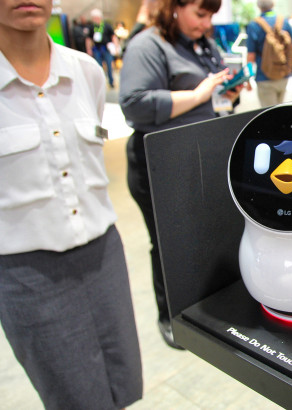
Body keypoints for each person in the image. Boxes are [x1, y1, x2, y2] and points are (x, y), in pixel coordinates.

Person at [0, 0, 143, 409]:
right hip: (27, 272)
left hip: (104, 255)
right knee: (73, 396)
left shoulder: (86, 71)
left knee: (123, 383)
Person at [119, 0, 242, 349]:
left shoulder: (204, 44)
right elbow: (134, 104)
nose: (205, 23)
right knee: (167, 244)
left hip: (201, 156)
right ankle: (170, 314)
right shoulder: (148, 45)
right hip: (161, 163)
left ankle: (204, 305)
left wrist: (227, 94)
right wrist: (197, 95)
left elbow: (215, 99)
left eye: (210, 16)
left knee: (204, 236)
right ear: (174, 6)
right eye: (200, 14)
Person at [246, 0, 292, 107]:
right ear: (273, 4)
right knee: (280, 111)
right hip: (283, 74)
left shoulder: (254, 25)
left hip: (264, 76)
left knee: (268, 113)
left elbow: (251, 56)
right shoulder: (284, 21)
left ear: (258, 6)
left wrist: (248, 79)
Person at [88, 8, 118, 88]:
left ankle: (111, 82)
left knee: (109, 65)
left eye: (95, 18)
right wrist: (89, 49)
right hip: (97, 49)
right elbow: (88, 39)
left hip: (106, 49)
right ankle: (101, 83)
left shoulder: (107, 26)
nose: (94, 20)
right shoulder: (92, 27)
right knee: (98, 67)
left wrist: (116, 47)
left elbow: (113, 36)